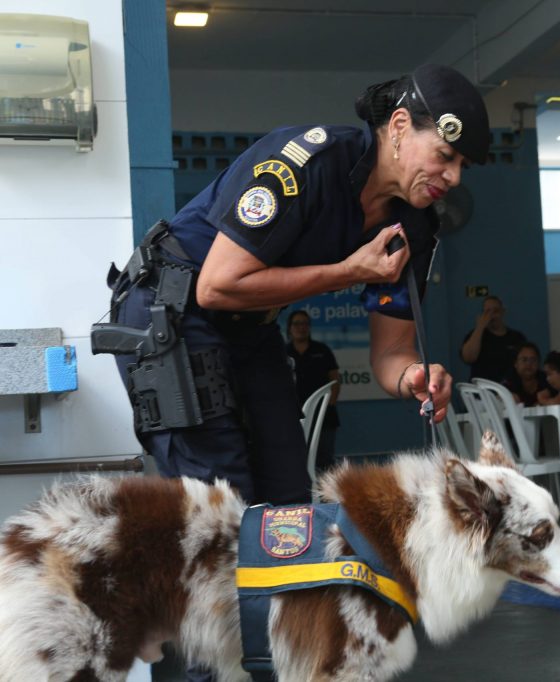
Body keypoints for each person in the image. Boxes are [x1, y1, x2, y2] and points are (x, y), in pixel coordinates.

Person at [97, 64, 486, 509]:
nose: (454, 177)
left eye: (462, 166)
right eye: (445, 155)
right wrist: (350, 270)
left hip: (251, 323)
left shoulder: (413, 228)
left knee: (288, 500)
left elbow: (390, 352)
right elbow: (218, 285)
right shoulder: (307, 161)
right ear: (399, 127)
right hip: (172, 307)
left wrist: (412, 376)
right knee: (221, 504)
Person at [285, 309, 340, 474]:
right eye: (297, 324)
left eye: (305, 323)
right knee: (296, 460)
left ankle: (326, 498)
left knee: (325, 461)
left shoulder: (322, 350)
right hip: (292, 418)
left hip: (324, 417)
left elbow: (335, 380)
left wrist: (330, 404)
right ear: (289, 328)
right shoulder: (283, 352)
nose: (301, 327)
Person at [460, 295, 527, 381]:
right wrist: (480, 327)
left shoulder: (517, 337)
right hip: (481, 390)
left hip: (509, 389)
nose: (491, 316)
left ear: (503, 312)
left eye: (495, 311)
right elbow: (468, 358)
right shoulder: (475, 335)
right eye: (487, 312)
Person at [503, 341, 551, 406]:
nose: (529, 364)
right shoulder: (508, 383)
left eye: (533, 360)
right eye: (524, 360)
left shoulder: (548, 380)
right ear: (515, 363)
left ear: (539, 363)